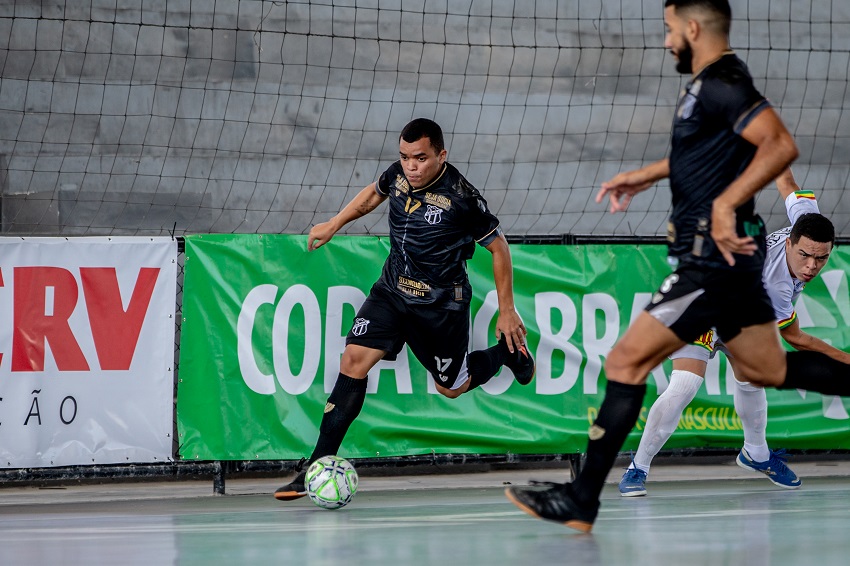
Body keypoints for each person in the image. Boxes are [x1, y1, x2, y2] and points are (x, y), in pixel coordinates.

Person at [505, 0, 850, 533]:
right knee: (765, 370)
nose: (666, 41)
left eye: (669, 30)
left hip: (709, 265)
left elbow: (780, 146)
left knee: (624, 364)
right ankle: (600, 490)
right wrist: (646, 175)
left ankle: (583, 498)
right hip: (729, 265)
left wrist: (723, 203)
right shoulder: (707, 87)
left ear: (692, 28)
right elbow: (706, 155)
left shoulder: (724, 82)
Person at [274, 118, 535, 501]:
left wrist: (507, 310)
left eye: (420, 158)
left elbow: (499, 248)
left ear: (441, 155)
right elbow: (373, 194)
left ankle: (507, 353)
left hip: (440, 305)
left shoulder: (463, 198)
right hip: (392, 292)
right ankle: (317, 463)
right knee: (353, 361)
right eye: (405, 157)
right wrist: (335, 222)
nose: (411, 166)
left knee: (451, 387)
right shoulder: (398, 174)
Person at [619, 168, 844, 496]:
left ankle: (756, 452)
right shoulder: (777, 283)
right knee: (685, 384)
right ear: (790, 242)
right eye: (804, 255)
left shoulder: (809, 222)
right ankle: (637, 466)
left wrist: (773, 148)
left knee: (753, 376)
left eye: (821, 258)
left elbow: (787, 182)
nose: (812, 266)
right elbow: (795, 337)